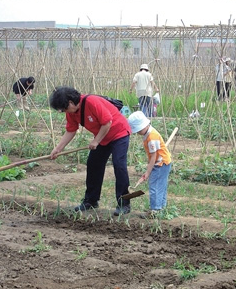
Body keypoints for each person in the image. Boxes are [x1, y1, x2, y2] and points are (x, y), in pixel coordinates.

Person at [49, 86, 132, 216]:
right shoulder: (71, 112)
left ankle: (124, 204)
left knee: (119, 165)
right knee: (93, 165)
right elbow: (71, 130)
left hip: (118, 133)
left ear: (71, 102)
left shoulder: (92, 102)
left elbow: (107, 122)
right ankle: (91, 201)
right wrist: (58, 148)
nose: (65, 111)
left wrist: (96, 141)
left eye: (64, 108)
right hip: (102, 138)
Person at [128, 111, 172, 218]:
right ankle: (161, 208)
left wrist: (147, 172)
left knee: (155, 186)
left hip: (160, 164)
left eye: (138, 130)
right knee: (161, 186)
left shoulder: (152, 137)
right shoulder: (149, 132)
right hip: (164, 162)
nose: (137, 133)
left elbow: (153, 157)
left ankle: (155, 211)